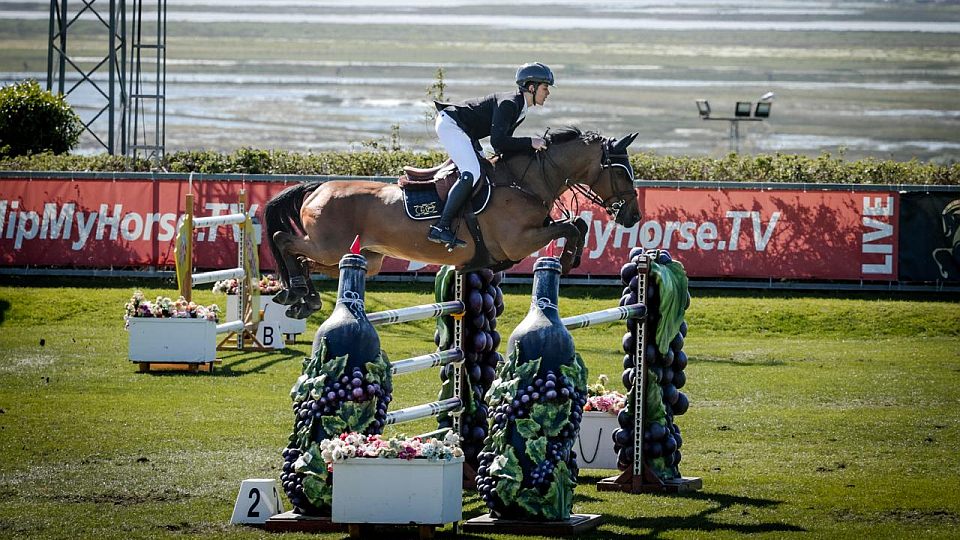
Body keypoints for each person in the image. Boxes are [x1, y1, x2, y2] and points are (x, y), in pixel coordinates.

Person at [427, 62, 555, 248]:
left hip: (466, 131)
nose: (548, 93)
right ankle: (441, 226)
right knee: (472, 172)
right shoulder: (509, 104)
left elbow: (502, 149)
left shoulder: (520, 109)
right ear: (532, 87)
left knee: (484, 170)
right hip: (452, 125)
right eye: (545, 88)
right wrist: (530, 142)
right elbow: (498, 142)